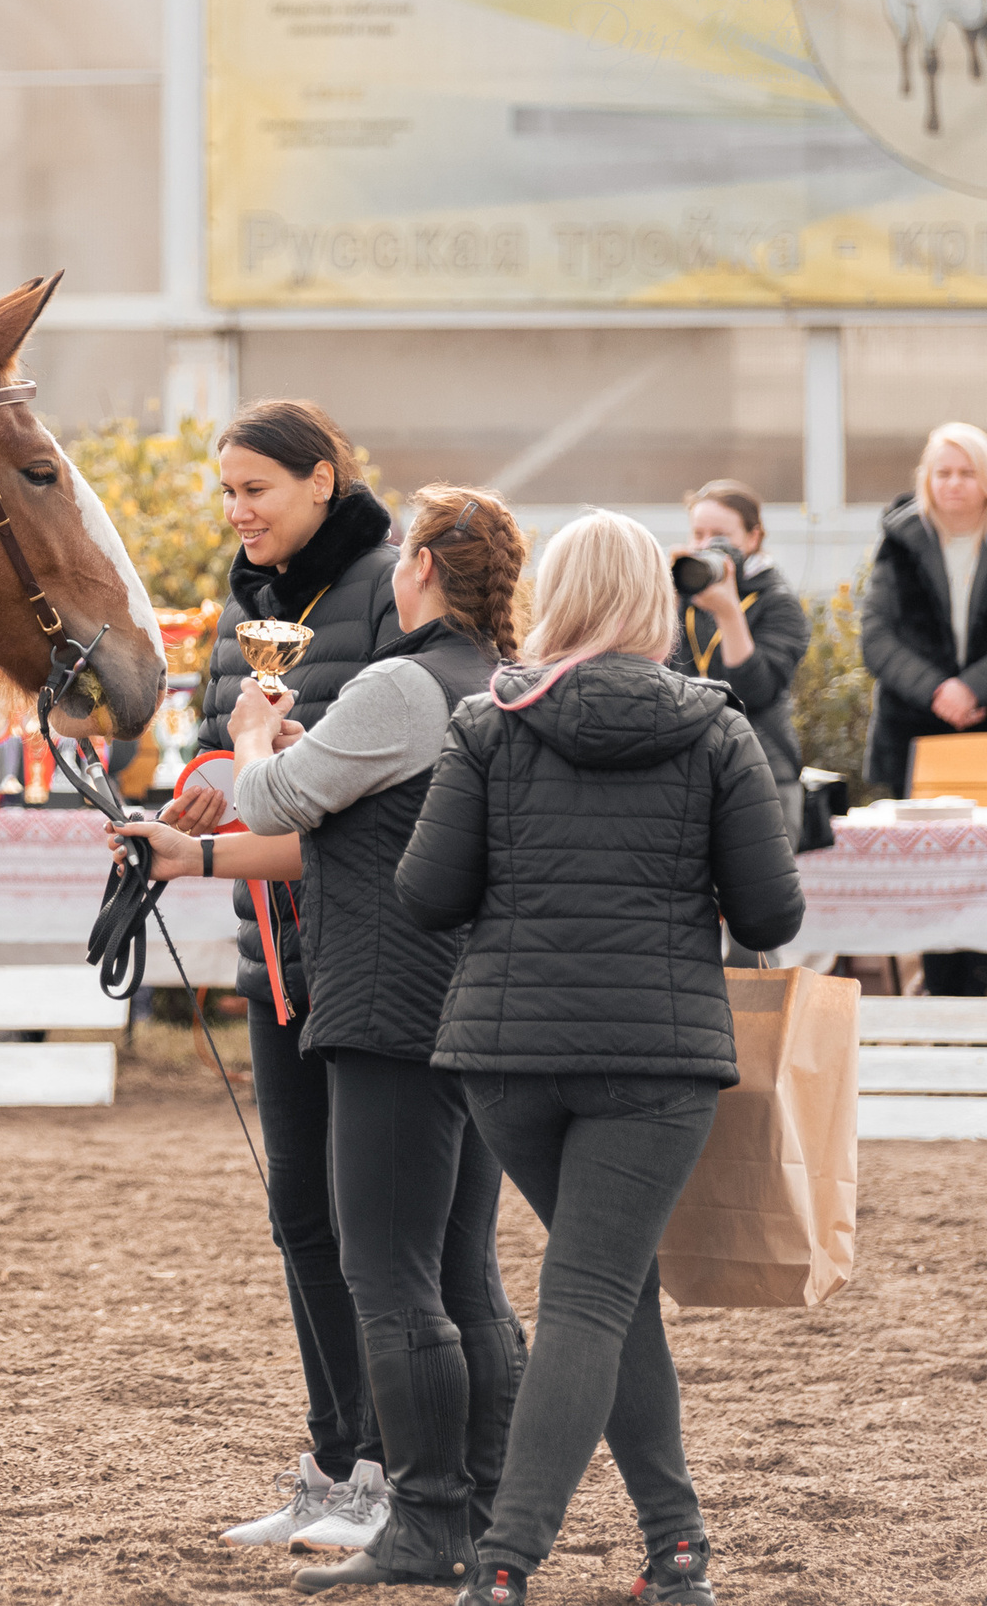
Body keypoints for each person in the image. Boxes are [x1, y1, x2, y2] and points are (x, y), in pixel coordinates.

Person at [115, 486, 531, 1592]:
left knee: (388, 1273)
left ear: (424, 573)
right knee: (464, 1273)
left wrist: (254, 729)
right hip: (475, 1002)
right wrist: (187, 856)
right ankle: (486, 1511)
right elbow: (357, 824)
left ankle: (428, 1520)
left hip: (387, 998)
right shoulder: (499, 681)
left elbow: (280, 795)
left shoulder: (400, 678)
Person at [396, 509, 803, 1606]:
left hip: (505, 1055)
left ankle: (677, 1545)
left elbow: (427, 895)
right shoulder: (716, 733)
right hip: (654, 1054)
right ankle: (505, 1558)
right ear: (656, 606)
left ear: (554, 598)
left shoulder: (487, 723)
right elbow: (773, 906)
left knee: (608, 1285)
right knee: (591, 1291)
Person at [161, 399, 401, 1551]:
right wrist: (210, 776)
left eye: (254, 486)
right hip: (273, 946)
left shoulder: (392, 584)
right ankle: (334, 1460)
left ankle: (399, 1470)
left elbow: (399, 763)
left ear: (319, 480)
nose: (236, 509)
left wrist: (281, 761)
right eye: (224, 489)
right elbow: (223, 732)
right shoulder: (245, 597)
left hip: (368, 946)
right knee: (298, 1210)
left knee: (377, 1229)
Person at [862, 422, 987, 996]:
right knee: (936, 880)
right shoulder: (899, 537)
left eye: (968, 472)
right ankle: (943, 998)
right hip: (916, 732)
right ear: (926, 478)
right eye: (944, 472)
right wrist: (940, 690)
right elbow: (877, 638)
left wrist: (973, 687)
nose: (955, 483)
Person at [669, 479, 810, 844]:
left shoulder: (778, 602)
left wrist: (730, 615)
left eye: (720, 535)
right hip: (691, 767)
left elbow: (754, 692)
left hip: (764, 768)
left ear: (753, 538)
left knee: (758, 893)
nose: (706, 546)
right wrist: (663, 596)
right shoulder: (684, 596)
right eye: (698, 534)